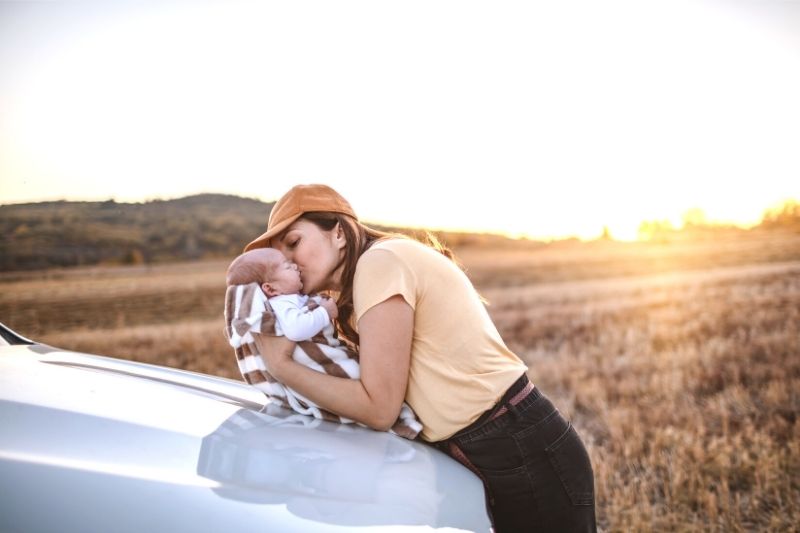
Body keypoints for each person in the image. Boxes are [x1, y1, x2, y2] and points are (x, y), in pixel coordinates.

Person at [245, 184, 597, 532]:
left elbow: (379, 408)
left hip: (517, 445)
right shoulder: (366, 277)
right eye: (280, 255)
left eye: (293, 243)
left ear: (338, 232)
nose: (288, 261)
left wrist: (281, 367)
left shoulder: (380, 263)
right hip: (495, 443)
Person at [224, 247, 423, 438]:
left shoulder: (293, 299)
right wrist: (323, 312)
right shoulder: (281, 304)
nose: (295, 266)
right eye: (287, 266)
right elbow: (296, 329)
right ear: (270, 288)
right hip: (318, 363)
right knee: (355, 375)